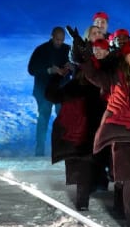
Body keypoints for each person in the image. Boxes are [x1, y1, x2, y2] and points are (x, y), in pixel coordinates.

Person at [82, 39, 130, 227]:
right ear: (124, 57)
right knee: (129, 181)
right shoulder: (113, 76)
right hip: (122, 136)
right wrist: (85, 56)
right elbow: (93, 75)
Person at [45, 40, 105, 211]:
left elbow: (50, 94)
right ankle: (83, 201)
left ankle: (83, 201)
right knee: (86, 168)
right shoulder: (99, 87)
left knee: (80, 168)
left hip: (71, 137)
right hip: (89, 136)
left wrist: (58, 75)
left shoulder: (71, 87)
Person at [28, 26, 72, 156]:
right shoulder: (41, 50)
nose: (59, 42)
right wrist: (48, 70)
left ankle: (63, 149)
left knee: (63, 120)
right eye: (57, 39)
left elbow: (77, 67)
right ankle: (40, 150)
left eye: (62, 40)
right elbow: (31, 69)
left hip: (61, 91)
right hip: (43, 91)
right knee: (43, 118)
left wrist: (71, 68)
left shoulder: (67, 50)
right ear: (52, 36)